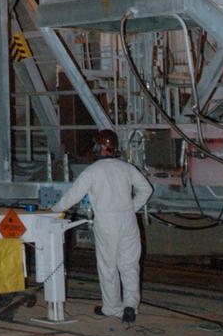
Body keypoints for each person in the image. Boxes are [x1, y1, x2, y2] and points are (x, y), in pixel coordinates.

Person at [53, 129, 152, 325]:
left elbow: (72, 197)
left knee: (108, 266)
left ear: (98, 147)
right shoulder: (127, 168)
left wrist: (53, 210)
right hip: (128, 220)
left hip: (106, 222)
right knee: (130, 265)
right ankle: (130, 306)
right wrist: (131, 208)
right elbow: (146, 189)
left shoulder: (93, 171)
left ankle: (112, 308)